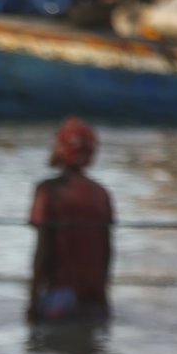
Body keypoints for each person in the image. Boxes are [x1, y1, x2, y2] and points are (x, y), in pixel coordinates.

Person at [28, 115, 115, 325]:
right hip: (94, 300)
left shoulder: (49, 191)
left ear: (61, 148)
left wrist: (32, 301)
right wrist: (104, 296)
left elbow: (42, 251)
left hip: (59, 297)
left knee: (46, 343)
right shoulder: (101, 194)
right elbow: (107, 252)